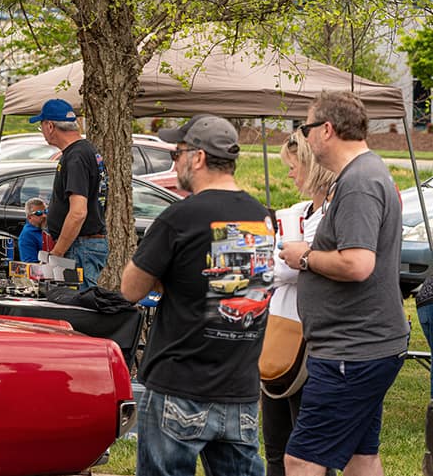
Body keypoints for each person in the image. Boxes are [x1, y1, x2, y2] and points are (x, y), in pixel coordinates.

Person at [120, 114, 272, 476]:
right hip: (239, 389)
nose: (174, 161)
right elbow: (236, 297)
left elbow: (130, 289)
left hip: (180, 383)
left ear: (198, 157)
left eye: (177, 152)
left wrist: (166, 278)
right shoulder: (261, 217)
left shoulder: (181, 217)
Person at [278, 91, 409, 476]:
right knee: (360, 457)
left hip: (351, 352)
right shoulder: (364, 174)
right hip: (363, 346)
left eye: (306, 127)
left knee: (301, 460)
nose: (305, 136)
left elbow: (357, 263)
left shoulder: (359, 183)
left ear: (327, 130)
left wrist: (303, 256)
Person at [263, 132, 336, 476]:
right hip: (279, 335)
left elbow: (285, 268)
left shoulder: (330, 216)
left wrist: (289, 259)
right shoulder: (296, 211)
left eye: (294, 167)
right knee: (276, 446)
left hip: (313, 340)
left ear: (313, 166)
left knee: (310, 451)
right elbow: (278, 265)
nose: (290, 175)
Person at [32, 98, 107, 290]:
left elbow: (78, 212)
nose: (43, 133)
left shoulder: (76, 157)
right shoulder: (84, 151)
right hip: (84, 245)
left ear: (50, 126)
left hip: (81, 247)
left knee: (78, 308)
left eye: (41, 127)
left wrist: (57, 252)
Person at [18, 197, 48, 262]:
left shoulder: (48, 228)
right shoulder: (27, 235)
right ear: (29, 217)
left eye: (45, 211)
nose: (44, 216)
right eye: (39, 213)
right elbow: (31, 264)